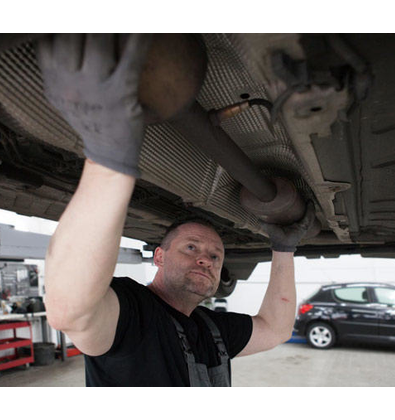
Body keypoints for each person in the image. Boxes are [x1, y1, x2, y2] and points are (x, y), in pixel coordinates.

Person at [39, 33, 315, 387]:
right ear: (159, 257)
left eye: (215, 255)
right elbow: (70, 310)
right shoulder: (133, 313)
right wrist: (110, 147)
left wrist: (284, 248)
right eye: (192, 248)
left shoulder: (211, 327)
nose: (208, 259)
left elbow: (275, 329)